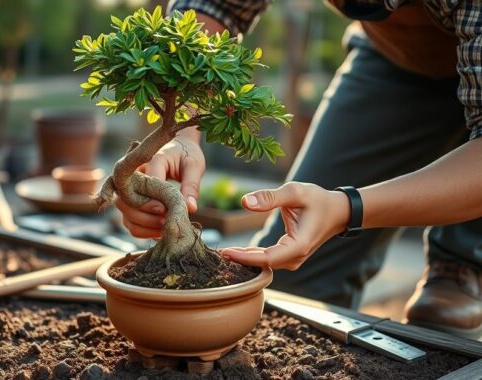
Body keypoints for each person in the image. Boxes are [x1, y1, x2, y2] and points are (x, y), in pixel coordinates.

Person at [115, 0, 482, 338]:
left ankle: (463, 257)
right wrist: (180, 135)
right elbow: (210, 8)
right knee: (292, 290)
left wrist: (347, 207)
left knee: (444, 316)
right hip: (398, 62)